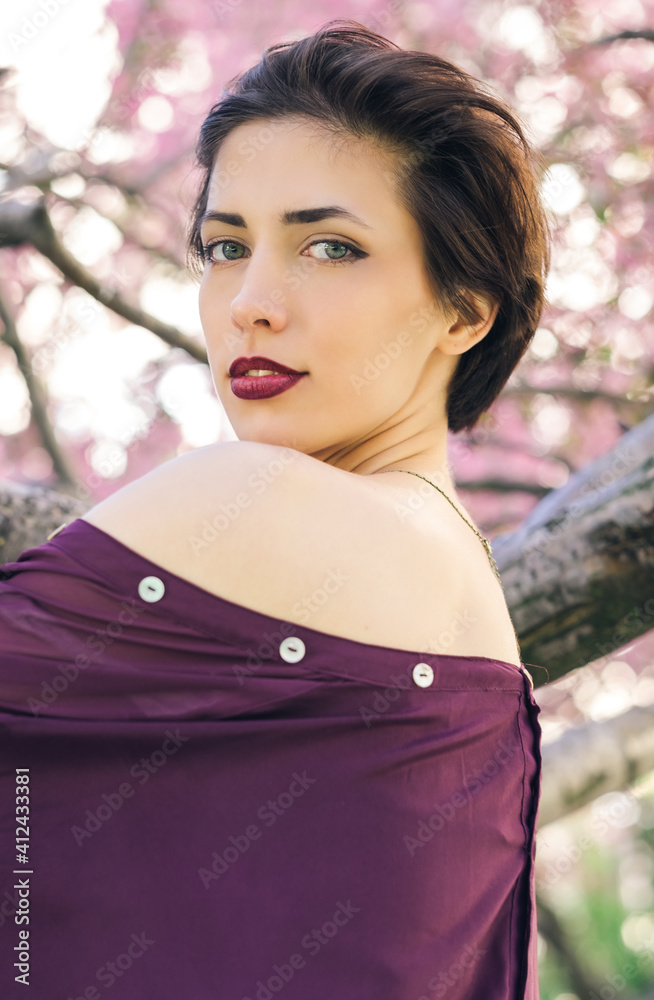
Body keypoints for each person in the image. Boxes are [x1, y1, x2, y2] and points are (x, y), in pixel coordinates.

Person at [0, 18, 548, 999]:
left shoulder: (262, 499)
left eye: (329, 247)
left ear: (465, 307)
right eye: (224, 246)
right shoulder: (487, 668)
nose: (250, 301)